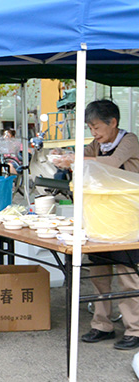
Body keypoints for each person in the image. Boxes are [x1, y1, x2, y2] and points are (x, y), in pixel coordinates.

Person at [52, 100, 139, 350]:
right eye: (90, 129)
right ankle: (102, 324)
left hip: (126, 219)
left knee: (128, 274)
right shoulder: (98, 144)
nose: (94, 134)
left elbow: (111, 164)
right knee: (99, 273)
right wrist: (67, 159)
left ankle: (135, 329)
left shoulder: (129, 140)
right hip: (101, 216)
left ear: (113, 122)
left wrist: (76, 160)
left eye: (97, 127)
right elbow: (86, 157)